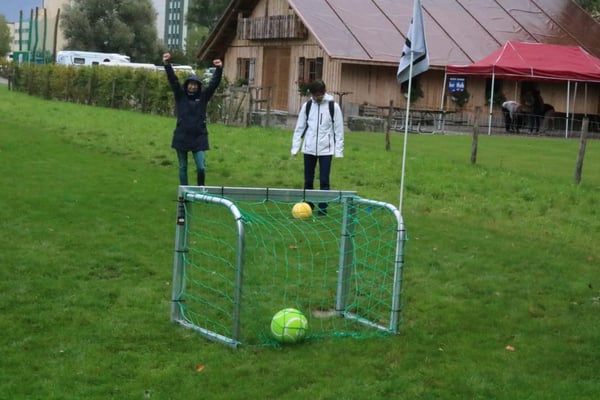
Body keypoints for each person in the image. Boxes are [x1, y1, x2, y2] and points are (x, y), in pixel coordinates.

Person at [163, 52, 223, 186]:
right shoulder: (180, 95)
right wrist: (167, 64)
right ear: (187, 85)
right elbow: (173, 80)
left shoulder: (203, 97)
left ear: (198, 86)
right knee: (183, 166)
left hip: (199, 137)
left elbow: (213, 84)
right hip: (182, 136)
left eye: (195, 84)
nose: (193, 86)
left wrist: (219, 69)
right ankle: (184, 193)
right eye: (190, 84)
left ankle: (200, 189)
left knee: (201, 167)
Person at [291, 80, 344, 215]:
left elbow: (339, 130)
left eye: (319, 95)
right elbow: (300, 127)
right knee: (308, 179)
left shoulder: (333, 107)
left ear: (324, 92)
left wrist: (339, 151)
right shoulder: (307, 106)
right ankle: (307, 206)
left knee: (324, 180)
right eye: (315, 95)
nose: (317, 98)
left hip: (326, 149)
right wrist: (295, 147)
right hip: (309, 148)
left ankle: (323, 208)